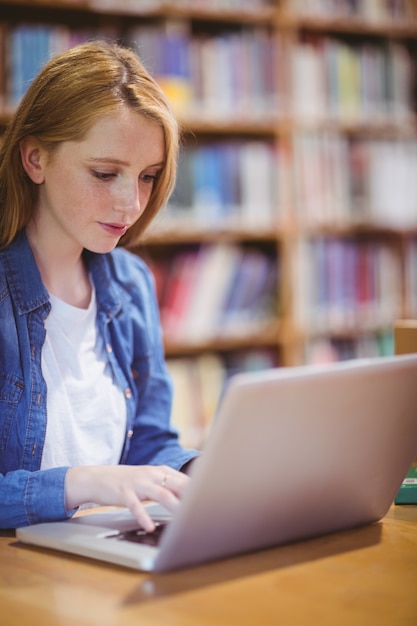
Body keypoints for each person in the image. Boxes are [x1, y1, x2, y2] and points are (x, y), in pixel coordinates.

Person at [0, 40, 199, 531]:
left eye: (148, 177)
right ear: (34, 159)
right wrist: (82, 482)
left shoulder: (130, 284)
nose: (130, 205)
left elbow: (150, 445)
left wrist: (203, 473)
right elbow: (104, 479)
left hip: (103, 558)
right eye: (105, 173)